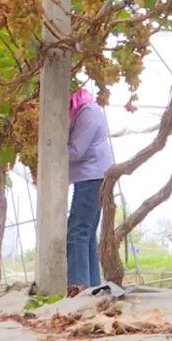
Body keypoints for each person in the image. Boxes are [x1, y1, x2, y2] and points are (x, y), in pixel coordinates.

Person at [66, 87, 114, 294]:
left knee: (76, 232)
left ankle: (78, 287)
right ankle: (93, 287)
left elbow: (76, 151)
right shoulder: (89, 111)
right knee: (86, 233)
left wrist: (48, 149)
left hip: (91, 177)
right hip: (93, 176)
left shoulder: (88, 112)